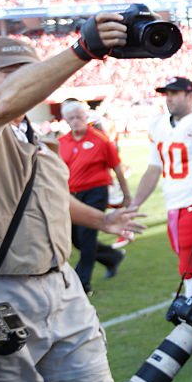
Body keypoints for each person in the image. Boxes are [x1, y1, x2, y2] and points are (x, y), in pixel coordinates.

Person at [0, 30, 144, 382]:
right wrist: (83, 49)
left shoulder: (34, 135)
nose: (19, 83)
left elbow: (53, 198)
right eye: (8, 73)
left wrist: (102, 221)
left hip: (62, 287)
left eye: (28, 73)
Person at [128, 76, 192, 297]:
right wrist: (135, 204)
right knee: (186, 259)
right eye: (166, 94)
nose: (169, 99)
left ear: (191, 96)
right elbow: (154, 168)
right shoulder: (158, 125)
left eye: (175, 93)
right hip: (173, 205)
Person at [58, 99, 130, 293]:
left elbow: (117, 166)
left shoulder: (100, 140)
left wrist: (125, 193)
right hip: (71, 195)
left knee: (87, 235)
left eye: (78, 116)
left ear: (85, 117)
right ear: (65, 120)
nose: (75, 121)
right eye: (71, 117)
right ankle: (112, 257)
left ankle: (83, 282)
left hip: (96, 192)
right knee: (77, 239)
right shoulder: (61, 143)